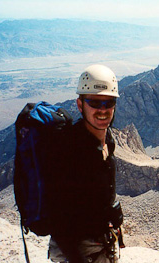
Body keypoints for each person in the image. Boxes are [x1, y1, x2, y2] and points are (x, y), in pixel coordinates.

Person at [47, 64, 123, 263]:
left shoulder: (108, 142)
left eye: (109, 102)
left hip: (100, 245)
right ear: (80, 105)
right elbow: (58, 218)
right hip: (75, 251)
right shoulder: (69, 150)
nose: (103, 110)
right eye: (95, 103)